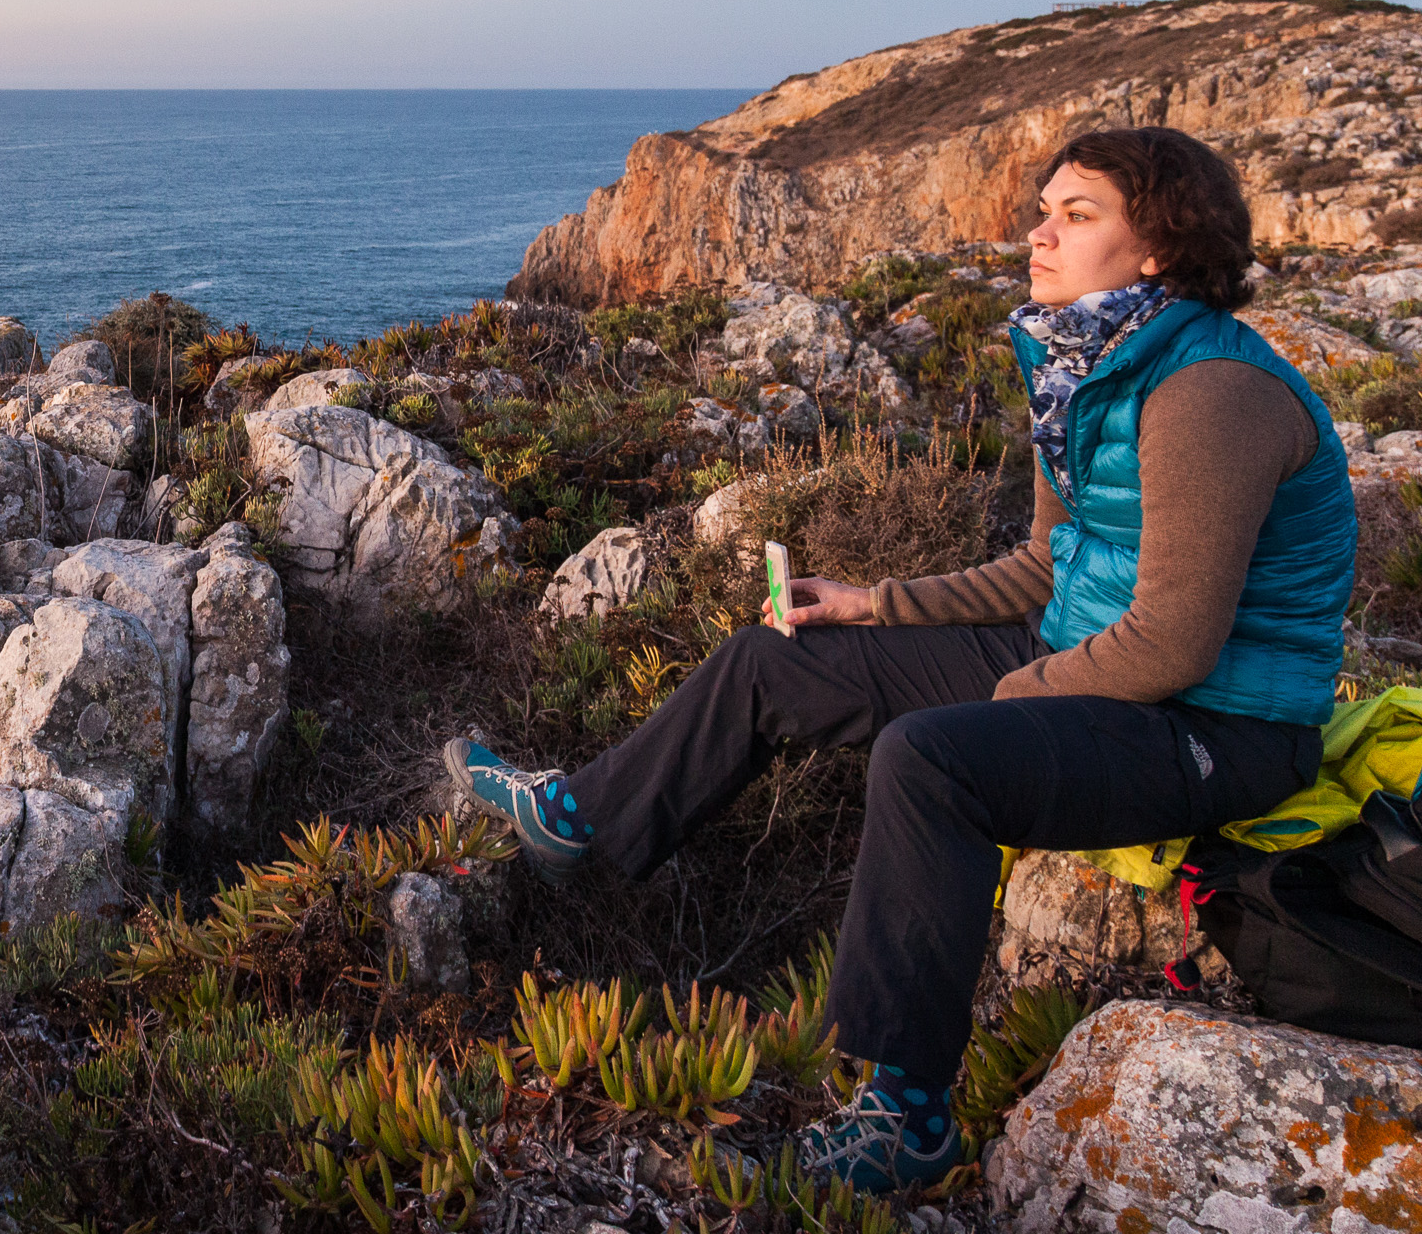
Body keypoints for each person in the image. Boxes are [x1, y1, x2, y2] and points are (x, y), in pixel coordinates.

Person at [444, 126, 1356, 1189]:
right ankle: (580, 818)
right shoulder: (1083, 365)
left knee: (934, 759)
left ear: (1157, 246)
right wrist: (875, 604)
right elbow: (1045, 565)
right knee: (774, 657)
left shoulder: (1210, 392)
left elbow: (1173, 640)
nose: (1039, 232)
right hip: (1086, 659)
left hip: (1217, 724)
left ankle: (907, 1112)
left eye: (1078, 214)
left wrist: (1013, 697)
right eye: (1043, 209)